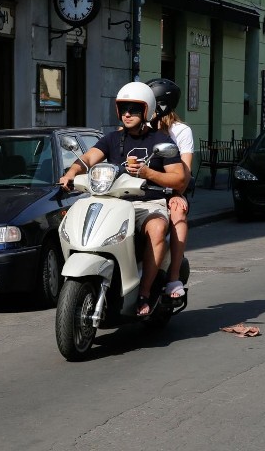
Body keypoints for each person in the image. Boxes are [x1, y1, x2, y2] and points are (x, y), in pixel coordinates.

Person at [58, 82, 187, 316]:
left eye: (134, 109)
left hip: (148, 203)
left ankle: (144, 293)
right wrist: (70, 173)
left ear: (146, 111)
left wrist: (149, 174)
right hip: (112, 200)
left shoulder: (160, 141)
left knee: (158, 229)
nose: (127, 114)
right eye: (123, 108)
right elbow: (88, 158)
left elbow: (180, 179)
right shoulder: (111, 139)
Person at [147, 78, 192, 300]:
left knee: (177, 212)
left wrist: (177, 193)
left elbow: (184, 172)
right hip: (137, 190)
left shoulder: (180, 131)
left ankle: (173, 278)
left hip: (167, 191)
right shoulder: (137, 125)